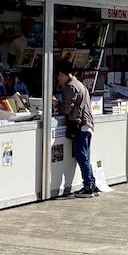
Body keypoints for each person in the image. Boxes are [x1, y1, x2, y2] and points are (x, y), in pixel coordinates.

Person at [56, 68, 98, 197]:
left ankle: (88, 187)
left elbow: (67, 110)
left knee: (82, 157)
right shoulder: (80, 84)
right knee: (86, 157)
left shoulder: (70, 87)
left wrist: (56, 104)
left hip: (80, 126)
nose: (58, 79)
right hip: (87, 125)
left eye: (58, 75)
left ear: (63, 74)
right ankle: (92, 184)